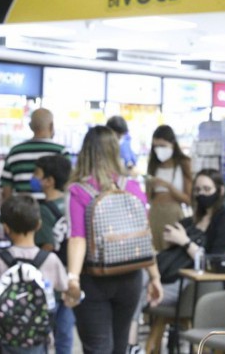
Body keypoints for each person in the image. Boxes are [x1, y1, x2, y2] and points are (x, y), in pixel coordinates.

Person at [64, 126, 163, 354]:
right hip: (131, 278)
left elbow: (77, 237)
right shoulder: (132, 186)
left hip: (95, 278)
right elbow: (143, 237)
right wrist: (155, 277)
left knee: (98, 347)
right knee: (119, 347)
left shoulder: (79, 191)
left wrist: (73, 279)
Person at [142, 169, 225, 353]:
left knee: (139, 293)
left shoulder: (223, 224)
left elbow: (213, 262)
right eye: (198, 190)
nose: (202, 194)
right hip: (169, 275)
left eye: (207, 189)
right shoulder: (189, 221)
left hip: (192, 287)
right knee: (136, 282)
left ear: (220, 190)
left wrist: (184, 242)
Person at [0, 195, 69, 354]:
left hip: (5, 339)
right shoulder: (50, 260)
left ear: (5, 228)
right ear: (39, 225)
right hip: (39, 340)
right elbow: (66, 295)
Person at [33, 155, 75, 354]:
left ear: (49, 181)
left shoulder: (42, 210)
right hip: (69, 277)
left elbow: (46, 246)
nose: (33, 178)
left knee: (42, 332)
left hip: (47, 281)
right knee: (65, 333)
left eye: (37, 174)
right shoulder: (71, 203)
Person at [0, 108, 69, 200]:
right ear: (51, 125)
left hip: (22, 210)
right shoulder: (61, 152)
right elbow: (68, 185)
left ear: (30, 126)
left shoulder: (15, 152)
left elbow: (6, 189)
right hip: (53, 211)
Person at [146, 125, 193, 251]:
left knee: (172, 250)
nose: (158, 150)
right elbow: (149, 197)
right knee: (155, 251)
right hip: (155, 213)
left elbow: (188, 199)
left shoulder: (183, 163)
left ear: (172, 144)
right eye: (155, 146)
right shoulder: (153, 165)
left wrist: (167, 186)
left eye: (162, 145)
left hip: (173, 214)